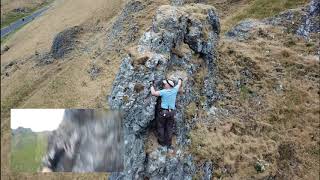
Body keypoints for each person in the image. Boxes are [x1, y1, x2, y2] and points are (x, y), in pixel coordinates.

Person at [150, 78, 183, 150]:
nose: (164, 85)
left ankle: (161, 142)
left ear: (168, 85)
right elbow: (179, 84)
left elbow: (153, 93)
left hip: (163, 112)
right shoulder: (174, 90)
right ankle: (168, 143)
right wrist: (180, 79)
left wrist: (151, 85)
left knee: (161, 126)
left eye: (165, 84)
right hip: (171, 113)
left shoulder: (164, 92)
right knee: (169, 127)